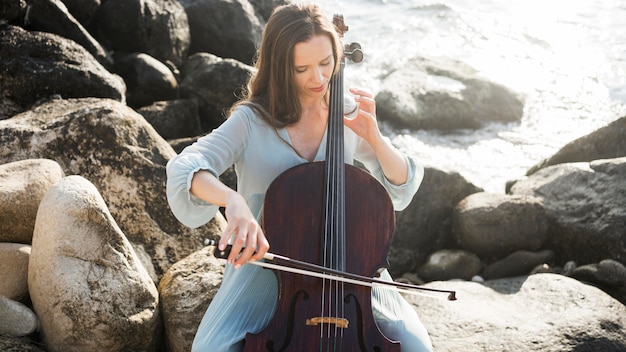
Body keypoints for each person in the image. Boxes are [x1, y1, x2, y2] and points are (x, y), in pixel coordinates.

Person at [166, 3, 433, 351]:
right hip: (266, 273)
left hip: (349, 273)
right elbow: (186, 167)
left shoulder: (347, 111)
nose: (319, 79)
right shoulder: (251, 121)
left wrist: (376, 139)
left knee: (417, 347)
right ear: (279, 68)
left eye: (326, 63)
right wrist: (232, 200)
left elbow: (402, 185)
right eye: (302, 68)